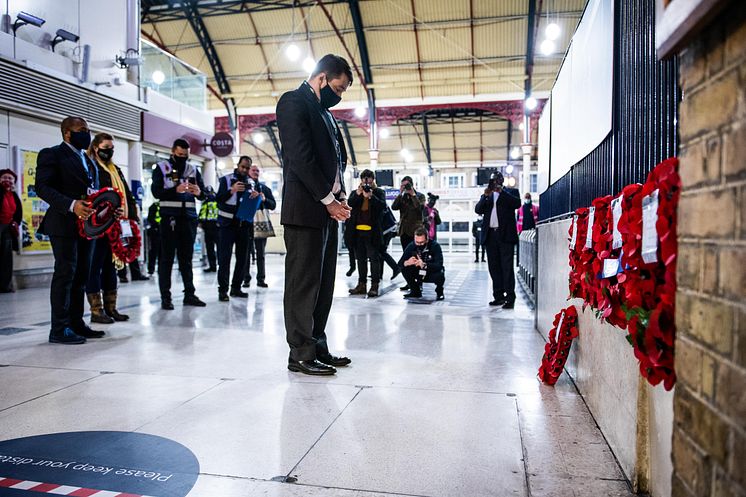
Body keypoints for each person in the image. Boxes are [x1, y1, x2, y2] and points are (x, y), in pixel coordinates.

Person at [276, 53, 353, 376]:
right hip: (306, 210)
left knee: (322, 285)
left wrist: (341, 194)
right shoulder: (293, 102)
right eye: (339, 87)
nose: (340, 95)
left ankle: (317, 345)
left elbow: (336, 158)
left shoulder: (326, 114)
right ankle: (300, 354)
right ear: (322, 78)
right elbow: (301, 158)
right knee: (302, 284)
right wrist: (327, 199)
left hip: (327, 210)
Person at [36, 116, 104, 344]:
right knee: (65, 274)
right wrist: (71, 204)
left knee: (81, 275)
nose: (87, 133)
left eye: (88, 128)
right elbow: (42, 187)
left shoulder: (89, 160)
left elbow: (93, 191)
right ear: (67, 133)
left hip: (87, 226)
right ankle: (59, 328)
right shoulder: (52, 154)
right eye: (82, 129)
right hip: (63, 223)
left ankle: (76, 322)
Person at [85, 133, 137, 324]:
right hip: (98, 226)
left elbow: (126, 193)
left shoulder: (115, 169)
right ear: (96, 148)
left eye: (112, 148)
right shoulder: (91, 168)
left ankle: (111, 308)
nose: (110, 151)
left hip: (116, 225)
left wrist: (131, 217)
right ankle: (96, 310)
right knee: (94, 267)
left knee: (110, 267)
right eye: (106, 148)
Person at [151, 138, 207, 310]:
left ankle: (189, 294)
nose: (183, 157)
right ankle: (165, 297)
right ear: (173, 151)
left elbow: (203, 194)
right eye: (180, 154)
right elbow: (156, 192)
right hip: (170, 219)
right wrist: (174, 190)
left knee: (186, 259)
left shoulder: (193, 169)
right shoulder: (162, 168)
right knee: (167, 259)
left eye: (186, 155)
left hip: (188, 219)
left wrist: (199, 192)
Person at [475, 172, 521, 308]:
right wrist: (485, 196)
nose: (494, 184)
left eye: (496, 181)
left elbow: (517, 204)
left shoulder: (511, 192)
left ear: (501, 181)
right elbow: (478, 209)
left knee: (507, 268)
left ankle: (510, 298)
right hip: (490, 236)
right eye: (492, 181)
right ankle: (498, 296)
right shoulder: (487, 195)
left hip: (505, 236)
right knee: (494, 268)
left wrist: (501, 192)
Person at [215, 156, 253, 301]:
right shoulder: (226, 180)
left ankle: (236, 288)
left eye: (247, 168)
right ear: (237, 165)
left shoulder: (251, 183)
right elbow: (218, 200)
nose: (244, 170)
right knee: (224, 259)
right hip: (226, 226)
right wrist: (232, 190)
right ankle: (222, 290)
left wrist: (257, 196)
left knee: (242, 259)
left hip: (243, 226)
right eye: (243, 167)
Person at [347, 169, 386, 297]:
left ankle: (374, 285)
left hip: (372, 232)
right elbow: (349, 205)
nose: (366, 181)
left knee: (374, 259)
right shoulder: (355, 192)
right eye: (364, 178)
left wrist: (371, 197)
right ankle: (361, 284)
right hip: (357, 231)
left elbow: (382, 207)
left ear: (372, 180)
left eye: (368, 178)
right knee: (360, 260)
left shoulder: (379, 192)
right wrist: (358, 194)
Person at [244, 163, 276, 288]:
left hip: (261, 224)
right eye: (253, 170)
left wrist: (264, 200)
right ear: (248, 171)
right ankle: (246, 279)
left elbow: (273, 205)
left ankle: (261, 279)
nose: (255, 172)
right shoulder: (245, 187)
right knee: (246, 253)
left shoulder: (264, 188)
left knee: (261, 253)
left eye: (257, 170)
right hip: (247, 223)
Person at [391, 176, 425, 291]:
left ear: (412, 184)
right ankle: (410, 282)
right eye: (403, 185)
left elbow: (419, 209)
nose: (406, 187)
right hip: (404, 231)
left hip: (416, 232)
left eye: (407, 185)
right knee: (407, 257)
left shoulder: (420, 196)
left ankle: (419, 282)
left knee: (418, 257)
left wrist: (413, 194)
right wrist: (399, 193)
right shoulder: (402, 197)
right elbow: (394, 207)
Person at [398, 227, 445, 301]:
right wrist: (407, 262)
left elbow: (439, 265)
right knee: (405, 268)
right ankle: (415, 291)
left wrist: (424, 265)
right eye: (417, 242)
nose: (419, 244)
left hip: (430, 271)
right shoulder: (412, 245)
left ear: (427, 239)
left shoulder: (435, 246)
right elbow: (400, 264)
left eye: (422, 242)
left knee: (441, 273)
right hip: (418, 271)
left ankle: (439, 291)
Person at [0, 169, 22, 293]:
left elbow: (18, 212)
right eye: (4, 177)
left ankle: (5, 286)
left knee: (7, 258)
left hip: (7, 228)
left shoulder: (13, 194)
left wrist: (16, 222)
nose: (7, 180)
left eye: (10, 178)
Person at [199, 185, 218, 272]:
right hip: (217, 227)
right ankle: (220, 266)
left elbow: (201, 216)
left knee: (210, 249)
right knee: (219, 248)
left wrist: (201, 223)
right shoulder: (218, 201)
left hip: (209, 228)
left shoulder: (205, 203)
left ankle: (213, 266)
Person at [146, 200, 160, 275]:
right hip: (155, 231)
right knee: (154, 251)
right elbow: (150, 218)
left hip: (161, 231)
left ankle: (159, 269)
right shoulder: (154, 206)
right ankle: (151, 269)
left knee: (161, 251)